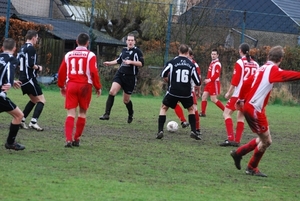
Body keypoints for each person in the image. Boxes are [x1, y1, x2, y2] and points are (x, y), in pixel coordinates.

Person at [230, 45, 300, 177]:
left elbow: (245, 82)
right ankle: (249, 165)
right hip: (255, 109)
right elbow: (286, 75)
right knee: (266, 141)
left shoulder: (261, 68)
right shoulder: (272, 70)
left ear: (268, 57)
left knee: (264, 138)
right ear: (281, 59)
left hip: (250, 107)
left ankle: (240, 155)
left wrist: (241, 98)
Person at [57, 33, 102, 148]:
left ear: (77, 41)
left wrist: (61, 86)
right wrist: (98, 87)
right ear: (88, 43)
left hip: (71, 85)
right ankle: (76, 139)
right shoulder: (91, 55)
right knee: (82, 113)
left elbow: (62, 71)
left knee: (70, 113)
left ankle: (68, 139)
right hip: (85, 86)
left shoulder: (69, 54)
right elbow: (93, 72)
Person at [156, 44, 201, 140]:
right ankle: (193, 131)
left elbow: (163, 74)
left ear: (178, 51)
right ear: (188, 52)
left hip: (173, 91)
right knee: (191, 109)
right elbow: (198, 82)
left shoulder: (172, 62)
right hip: (186, 92)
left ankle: (160, 131)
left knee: (164, 108)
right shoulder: (191, 64)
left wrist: (169, 80)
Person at [220, 43, 259, 147]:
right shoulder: (256, 64)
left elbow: (235, 80)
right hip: (250, 95)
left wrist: (229, 92)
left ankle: (230, 139)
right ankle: (237, 141)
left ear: (240, 50)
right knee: (240, 116)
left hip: (239, 94)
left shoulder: (240, 62)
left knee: (226, 114)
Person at [99, 34, 144, 123]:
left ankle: (130, 113)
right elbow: (118, 60)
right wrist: (109, 63)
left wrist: (130, 62)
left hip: (130, 78)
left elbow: (141, 63)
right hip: (120, 74)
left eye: (132, 40)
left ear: (134, 42)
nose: (130, 42)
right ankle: (106, 114)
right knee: (112, 92)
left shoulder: (137, 51)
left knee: (126, 100)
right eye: (129, 40)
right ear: (126, 41)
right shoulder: (123, 50)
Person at [0, 38, 25, 150]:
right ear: (14, 49)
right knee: (19, 115)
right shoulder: (12, 59)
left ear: (2, 48)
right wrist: (10, 82)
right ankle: (10, 143)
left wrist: (11, 82)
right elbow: (9, 70)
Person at [18, 30, 45, 131]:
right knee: (41, 100)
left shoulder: (22, 48)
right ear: (33, 37)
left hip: (22, 79)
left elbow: (18, 62)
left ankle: (21, 120)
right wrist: (38, 68)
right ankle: (34, 122)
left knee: (34, 100)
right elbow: (30, 64)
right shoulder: (31, 49)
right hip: (29, 79)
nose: (37, 40)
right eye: (37, 38)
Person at [199, 49, 224, 117]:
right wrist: (207, 79)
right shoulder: (212, 62)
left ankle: (225, 111)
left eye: (214, 54)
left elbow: (217, 74)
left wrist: (210, 79)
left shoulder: (217, 64)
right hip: (209, 82)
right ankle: (203, 113)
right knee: (204, 96)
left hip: (214, 83)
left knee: (213, 99)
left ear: (217, 55)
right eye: (212, 54)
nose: (213, 55)